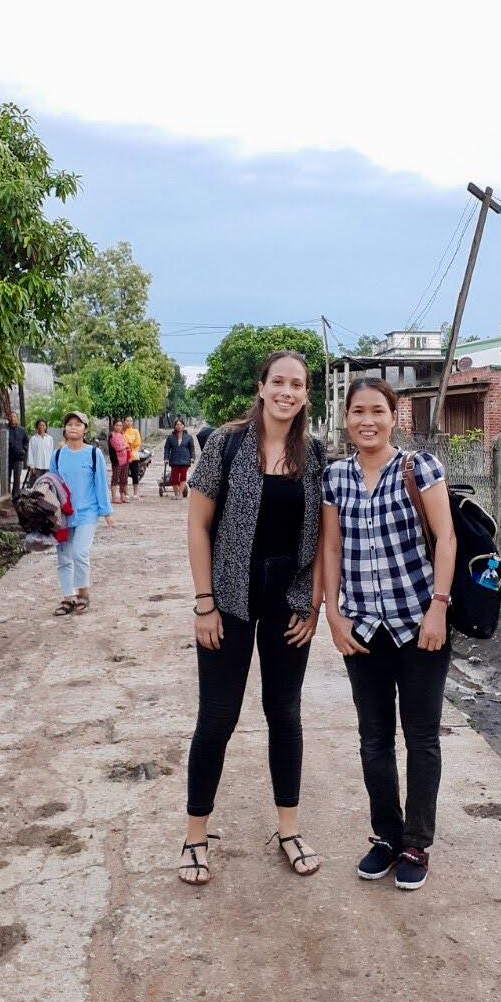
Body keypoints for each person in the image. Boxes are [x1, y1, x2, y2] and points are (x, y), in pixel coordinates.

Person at [179, 351, 325, 886]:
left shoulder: (314, 455)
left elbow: (323, 539)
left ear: (306, 395)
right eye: (279, 382)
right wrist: (204, 603)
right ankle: (196, 835)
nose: (287, 391)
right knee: (217, 718)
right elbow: (198, 527)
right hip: (230, 600)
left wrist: (313, 605)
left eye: (298, 385)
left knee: (284, 714)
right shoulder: (226, 443)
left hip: (288, 600)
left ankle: (288, 829)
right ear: (262, 387)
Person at [321, 378, 457, 892]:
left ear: (393, 417)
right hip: (363, 629)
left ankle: (416, 843)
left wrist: (438, 608)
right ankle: (386, 836)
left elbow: (445, 537)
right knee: (373, 738)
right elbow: (331, 549)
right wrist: (333, 615)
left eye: (377, 411)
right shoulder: (336, 478)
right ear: (346, 418)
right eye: (358, 411)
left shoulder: (418, 467)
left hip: (418, 625)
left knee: (421, 738)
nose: (367, 421)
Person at [49, 410, 112, 616]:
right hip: (63, 515)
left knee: (80, 552)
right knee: (63, 556)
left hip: (87, 512)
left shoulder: (94, 455)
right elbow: (52, 484)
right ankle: (68, 598)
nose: (73, 427)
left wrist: (106, 511)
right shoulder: (57, 455)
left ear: (85, 429)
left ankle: (83, 594)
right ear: (64, 430)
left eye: (78, 424)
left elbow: (100, 484)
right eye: (69, 424)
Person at [163, 418, 196, 499]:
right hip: (174, 460)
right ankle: (176, 494)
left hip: (185, 460)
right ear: (174, 426)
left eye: (181, 424)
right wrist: (166, 458)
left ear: (184, 426)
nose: (179, 426)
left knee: (183, 477)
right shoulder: (170, 437)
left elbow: (192, 448)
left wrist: (192, 457)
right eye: (177, 424)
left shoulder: (189, 437)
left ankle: (180, 494)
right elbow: (166, 448)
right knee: (174, 478)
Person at [26, 419, 54, 488]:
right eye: (40, 425)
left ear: (46, 427)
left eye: (43, 425)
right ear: (37, 427)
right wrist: (32, 466)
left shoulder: (50, 439)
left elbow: (52, 452)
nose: (41, 427)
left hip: (47, 466)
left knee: (46, 485)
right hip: (37, 467)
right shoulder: (33, 439)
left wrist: (52, 466)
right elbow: (30, 453)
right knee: (36, 485)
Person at [7, 410, 28, 500]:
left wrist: (24, 450)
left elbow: (26, 441)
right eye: (11, 417)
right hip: (7, 458)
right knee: (6, 477)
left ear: (17, 418)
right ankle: (6, 495)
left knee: (17, 478)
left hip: (19, 457)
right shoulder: (6, 430)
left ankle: (15, 496)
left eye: (14, 417)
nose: (12, 418)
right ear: (9, 418)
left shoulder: (22, 430)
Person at [108, 419, 130, 504]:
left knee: (124, 479)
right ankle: (114, 497)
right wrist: (125, 446)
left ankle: (123, 496)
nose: (119, 427)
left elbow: (126, 445)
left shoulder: (122, 435)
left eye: (120, 425)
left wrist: (124, 446)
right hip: (116, 460)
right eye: (117, 425)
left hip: (125, 459)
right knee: (115, 478)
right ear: (113, 426)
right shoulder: (112, 436)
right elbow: (118, 448)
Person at [123, 416, 143, 500]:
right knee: (124, 475)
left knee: (135, 475)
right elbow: (122, 443)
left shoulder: (135, 431)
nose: (129, 422)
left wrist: (129, 445)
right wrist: (128, 445)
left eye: (130, 421)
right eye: (127, 420)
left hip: (134, 456)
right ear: (124, 421)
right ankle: (126, 493)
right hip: (124, 456)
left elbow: (138, 443)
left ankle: (135, 493)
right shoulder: (122, 432)